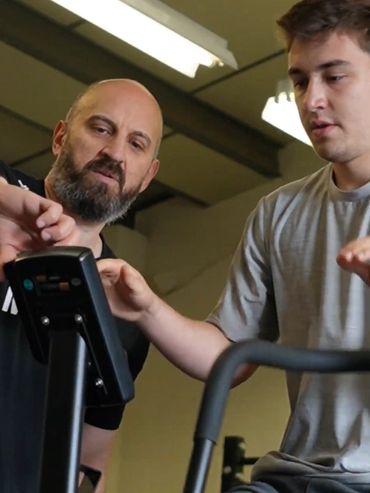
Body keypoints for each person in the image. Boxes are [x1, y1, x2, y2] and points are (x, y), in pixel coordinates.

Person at [97, 1, 370, 492]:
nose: (312, 100)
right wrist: (145, 309)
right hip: (297, 477)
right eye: (302, 81)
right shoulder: (279, 213)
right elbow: (231, 356)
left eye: (335, 77)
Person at [0, 78, 162, 492]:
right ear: (60, 137)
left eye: (137, 143)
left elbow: (89, 463)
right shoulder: (4, 196)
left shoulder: (123, 310)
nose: (114, 153)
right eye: (101, 128)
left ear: (147, 178)